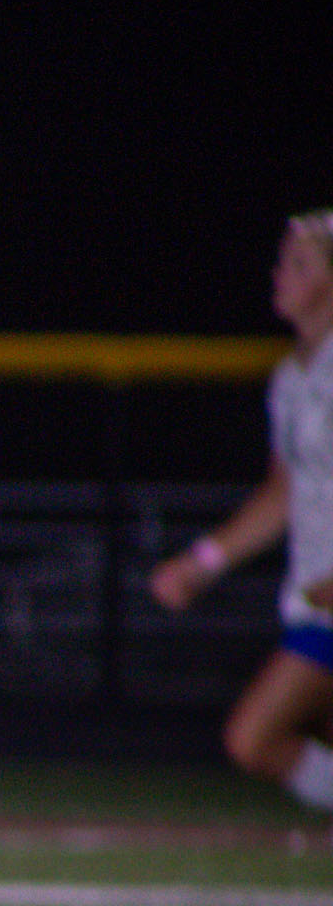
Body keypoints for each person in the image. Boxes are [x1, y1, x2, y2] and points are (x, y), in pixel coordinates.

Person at [149, 208, 333, 813]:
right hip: (312, 596)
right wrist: (201, 563)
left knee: (253, 738)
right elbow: (281, 494)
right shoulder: (291, 379)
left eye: (300, 265)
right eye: (283, 262)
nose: (281, 275)